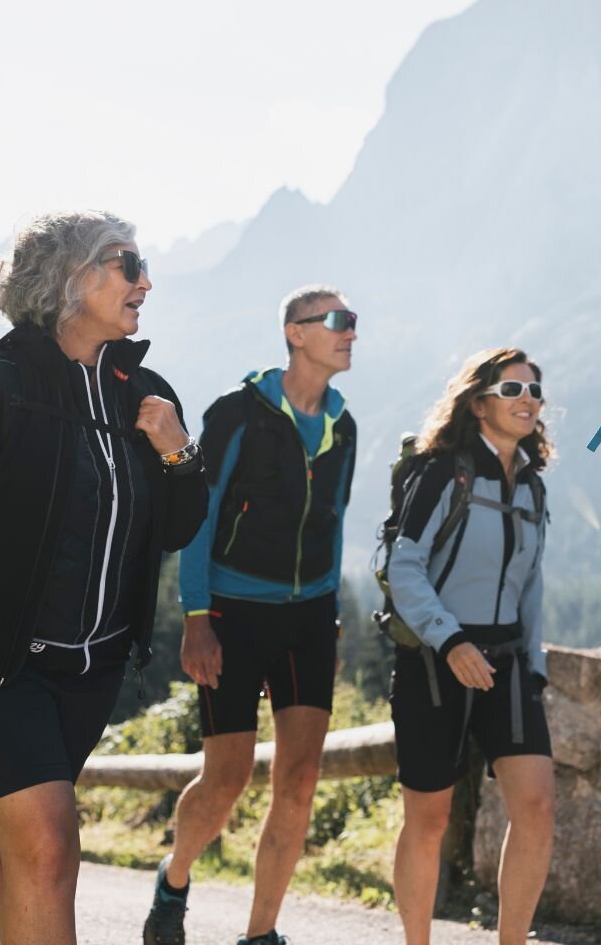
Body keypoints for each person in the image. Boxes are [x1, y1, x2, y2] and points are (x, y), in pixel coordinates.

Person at [0, 210, 208, 945]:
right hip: (2, 671)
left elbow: (174, 530)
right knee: (48, 847)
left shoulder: (146, 393)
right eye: (128, 265)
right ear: (74, 278)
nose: (146, 282)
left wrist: (178, 453)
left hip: (90, 675)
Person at [142, 285, 359, 945]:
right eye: (338, 321)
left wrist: (333, 619)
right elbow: (199, 519)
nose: (351, 332)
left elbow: (336, 520)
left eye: (352, 322)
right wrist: (197, 616)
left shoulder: (343, 425)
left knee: (299, 781)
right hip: (233, 615)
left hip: (309, 619)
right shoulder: (237, 413)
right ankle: (175, 877)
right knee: (227, 778)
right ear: (296, 333)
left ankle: (260, 933)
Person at [385, 348, 553, 945]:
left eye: (534, 389)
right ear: (479, 402)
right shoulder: (443, 473)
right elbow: (404, 568)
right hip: (436, 658)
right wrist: (450, 639)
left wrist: (534, 668)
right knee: (428, 821)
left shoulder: (531, 489)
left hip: (506, 662)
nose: (528, 399)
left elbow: (531, 585)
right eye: (512, 389)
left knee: (535, 807)